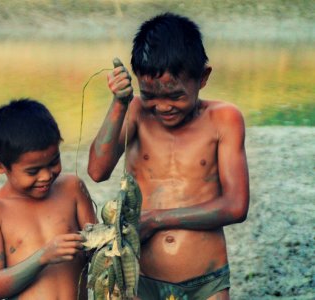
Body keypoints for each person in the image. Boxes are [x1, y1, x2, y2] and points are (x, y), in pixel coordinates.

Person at [88, 12, 249, 300]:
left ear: (203, 77)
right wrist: (119, 104)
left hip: (207, 281)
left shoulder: (224, 119)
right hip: (141, 279)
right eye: (150, 95)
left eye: (175, 96)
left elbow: (236, 206)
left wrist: (157, 219)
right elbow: (97, 170)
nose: (163, 107)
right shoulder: (135, 112)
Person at [0, 98, 97, 300]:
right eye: (33, 171)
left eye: (54, 162)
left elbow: (98, 252)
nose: (46, 176)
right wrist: (44, 256)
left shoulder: (72, 189)